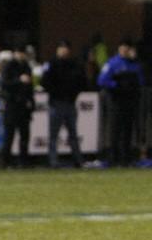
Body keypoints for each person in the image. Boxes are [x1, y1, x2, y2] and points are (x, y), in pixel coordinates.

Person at [97, 37, 145, 166]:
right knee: (115, 130)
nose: (125, 50)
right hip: (115, 101)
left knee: (127, 131)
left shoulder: (135, 65)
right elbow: (101, 81)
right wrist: (116, 85)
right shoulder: (112, 63)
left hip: (129, 102)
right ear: (119, 48)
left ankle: (125, 159)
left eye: (127, 47)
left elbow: (140, 82)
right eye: (123, 47)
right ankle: (113, 158)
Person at [41, 39, 88, 168]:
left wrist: (73, 95)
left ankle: (78, 160)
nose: (64, 50)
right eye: (61, 48)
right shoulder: (51, 64)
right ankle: (53, 161)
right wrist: (56, 93)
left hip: (70, 103)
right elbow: (44, 82)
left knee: (73, 134)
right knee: (53, 135)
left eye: (66, 48)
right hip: (56, 103)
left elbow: (82, 81)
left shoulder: (74, 64)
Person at [0, 43, 36, 168]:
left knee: (24, 135)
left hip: (23, 106)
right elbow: (4, 84)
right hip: (12, 105)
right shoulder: (9, 66)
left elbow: (30, 87)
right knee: (9, 135)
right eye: (19, 52)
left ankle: (23, 161)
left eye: (23, 53)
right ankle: (5, 161)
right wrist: (19, 80)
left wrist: (31, 102)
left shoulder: (26, 66)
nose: (21, 55)